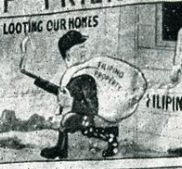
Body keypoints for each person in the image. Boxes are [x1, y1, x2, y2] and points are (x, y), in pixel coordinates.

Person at [31, 31, 119, 159]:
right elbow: (62, 92)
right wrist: (40, 82)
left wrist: (71, 103)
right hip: (83, 117)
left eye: (83, 46)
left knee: (69, 121)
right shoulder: (72, 76)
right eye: (79, 48)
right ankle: (61, 149)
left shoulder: (86, 78)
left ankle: (111, 138)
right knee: (68, 121)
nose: (84, 50)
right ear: (68, 56)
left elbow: (92, 110)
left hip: (92, 119)